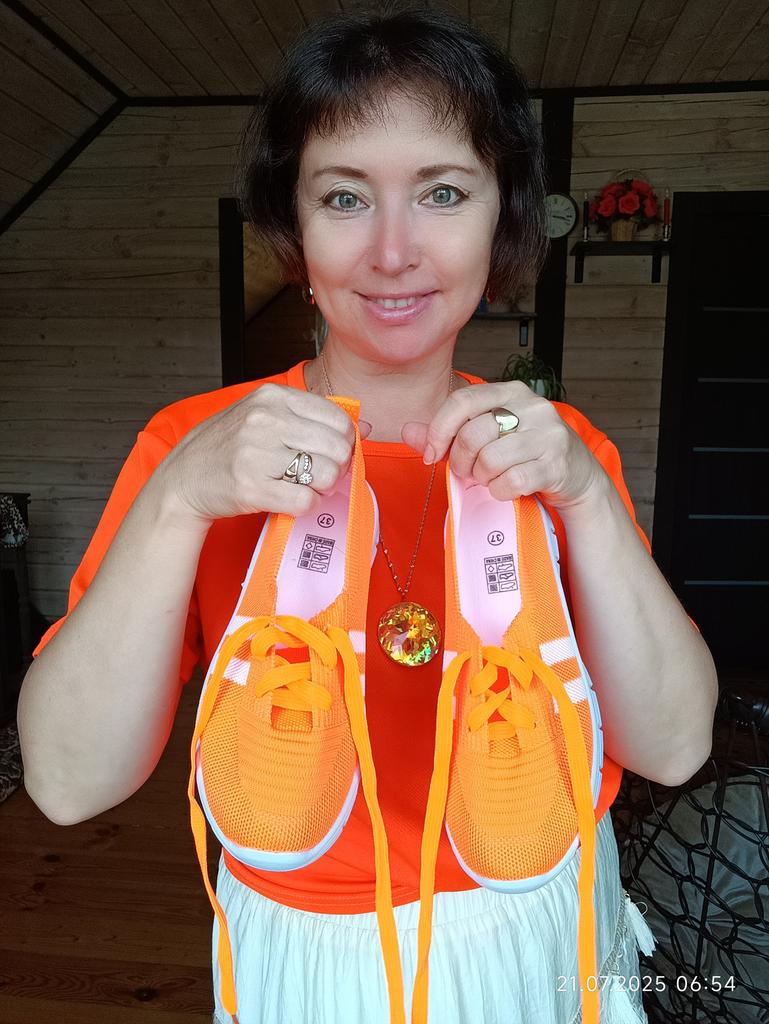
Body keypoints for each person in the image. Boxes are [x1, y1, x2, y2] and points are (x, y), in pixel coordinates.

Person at [18, 6, 719, 1024]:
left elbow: (674, 746)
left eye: (443, 192)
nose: (393, 252)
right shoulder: (194, 449)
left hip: (546, 914)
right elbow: (67, 782)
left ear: (502, 221)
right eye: (344, 197)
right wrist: (176, 501)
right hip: (312, 955)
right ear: (292, 232)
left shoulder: (560, 451)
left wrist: (589, 498)